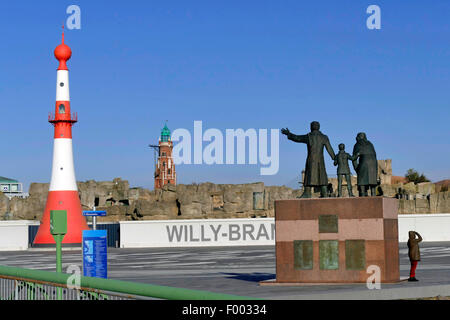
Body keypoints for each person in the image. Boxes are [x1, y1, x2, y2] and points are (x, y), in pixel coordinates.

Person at [281, 121, 335, 198]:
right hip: (320, 160)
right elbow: (330, 149)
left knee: (309, 175)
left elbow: (297, 138)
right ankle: (324, 193)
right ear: (319, 127)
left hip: (311, 160)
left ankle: (307, 193)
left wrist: (289, 134)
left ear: (310, 127)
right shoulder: (324, 137)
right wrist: (334, 158)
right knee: (322, 175)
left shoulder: (309, 136)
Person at [352, 132, 378, 196]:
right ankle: (374, 197)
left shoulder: (357, 144)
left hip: (364, 164)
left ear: (358, 138)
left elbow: (354, 159)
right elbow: (375, 156)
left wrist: (356, 169)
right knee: (372, 185)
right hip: (373, 165)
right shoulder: (370, 144)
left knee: (362, 184)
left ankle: (362, 197)